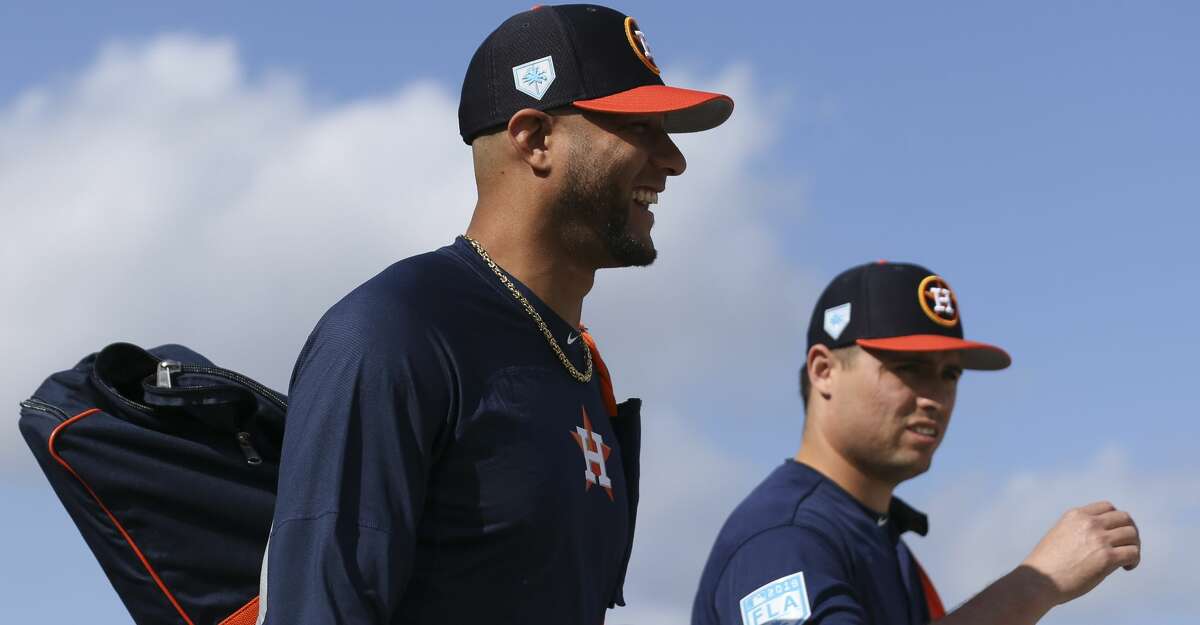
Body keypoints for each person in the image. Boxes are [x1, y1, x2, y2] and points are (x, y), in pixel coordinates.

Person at [257, 4, 734, 625]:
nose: (673, 160)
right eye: (639, 128)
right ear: (536, 139)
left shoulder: (579, 362)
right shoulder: (392, 335)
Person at [692, 261, 1140, 625]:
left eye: (950, 374)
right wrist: (1035, 583)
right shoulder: (785, 539)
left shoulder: (877, 535)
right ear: (824, 371)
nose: (934, 398)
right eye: (908, 368)